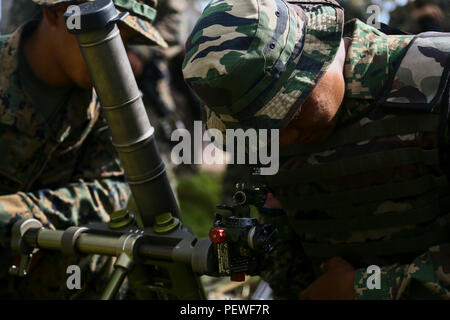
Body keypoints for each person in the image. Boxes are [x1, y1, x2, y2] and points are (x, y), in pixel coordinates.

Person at [183, 0, 450, 299]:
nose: (284, 140)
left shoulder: (440, 76)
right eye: (265, 127)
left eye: (291, 111)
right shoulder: (268, 136)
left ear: (319, 52)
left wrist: (365, 289)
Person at [0, 0, 167, 299]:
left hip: (43, 264)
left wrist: (24, 214)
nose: (118, 57)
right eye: (105, 35)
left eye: (124, 42)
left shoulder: (114, 99)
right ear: (54, 12)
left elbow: (115, 187)